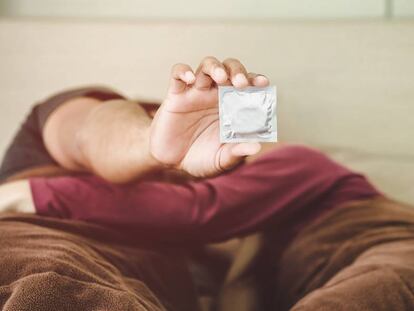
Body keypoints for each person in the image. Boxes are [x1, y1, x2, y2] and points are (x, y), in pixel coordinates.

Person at [1, 57, 414, 311]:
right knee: (48, 279)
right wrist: (149, 142)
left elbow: (201, 211)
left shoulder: (295, 163)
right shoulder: (73, 123)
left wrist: (30, 197)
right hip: (39, 239)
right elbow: (95, 132)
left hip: (378, 239)